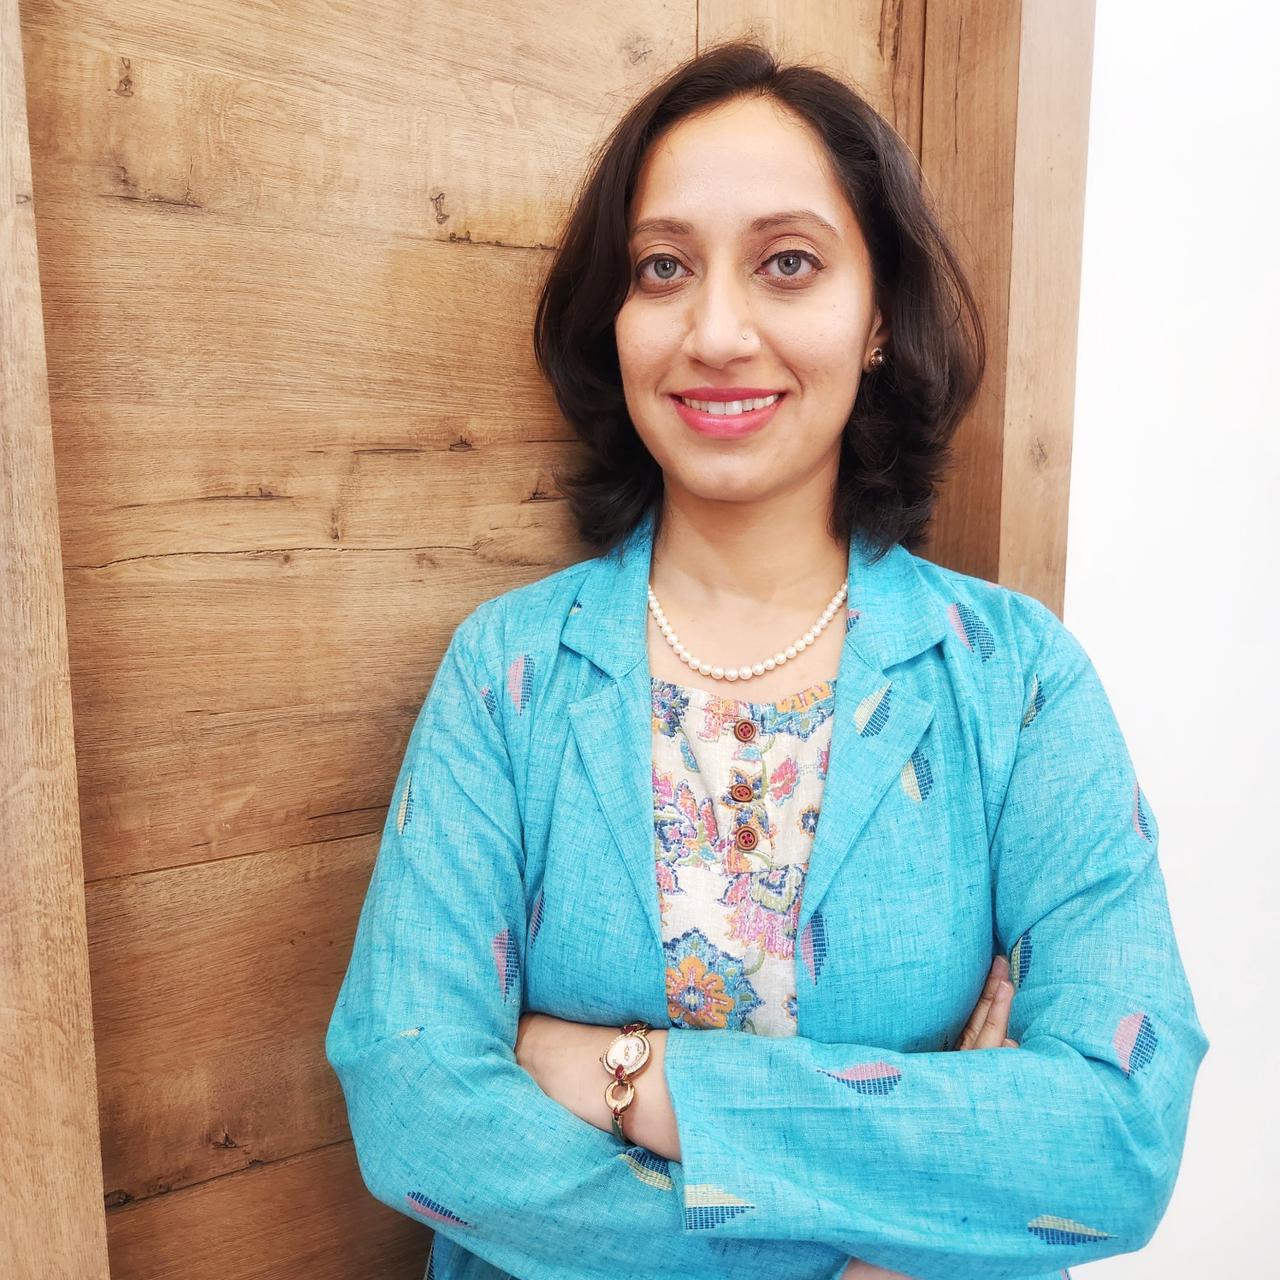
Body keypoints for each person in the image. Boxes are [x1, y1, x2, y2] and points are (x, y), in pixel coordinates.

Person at [325, 39, 1209, 1280]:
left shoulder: (1015, 680)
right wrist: (904, 1225)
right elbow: (416, 1107)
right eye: (662, 267)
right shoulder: (506, 672)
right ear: (614, 316)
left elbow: (1113, 1137)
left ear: (878, 316)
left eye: (787, 262)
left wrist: (631, 1075)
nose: (717, 330)